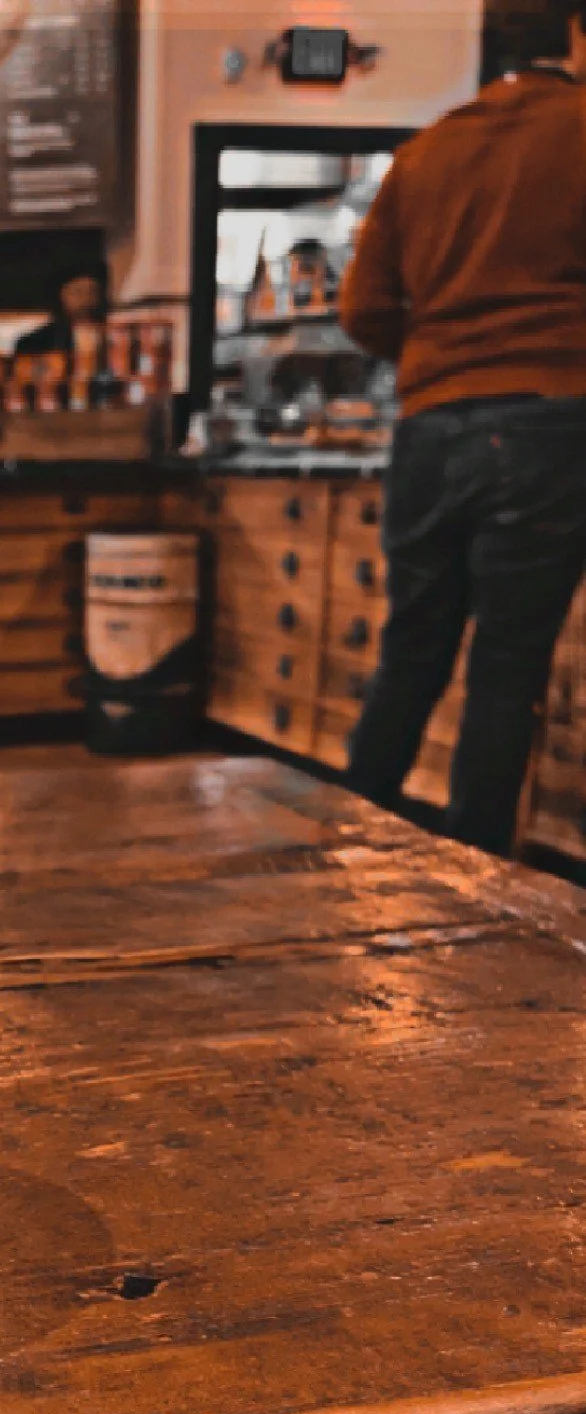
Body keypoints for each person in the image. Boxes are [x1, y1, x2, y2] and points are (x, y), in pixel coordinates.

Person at [339, 2, 586, 854]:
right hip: (549, 422)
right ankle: (477, 878)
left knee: (412, 648)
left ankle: (341, 842)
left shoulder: (426, 151)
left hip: (430, 427)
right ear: (575, 35)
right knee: (505, 671)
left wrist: (435, 358)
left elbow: (362, 309)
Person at [13, 266, 108, 358]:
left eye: (93, 292)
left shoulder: (111, 337)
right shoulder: (34, 344)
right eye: (78, 292)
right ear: (61, 296)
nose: (86, 300)